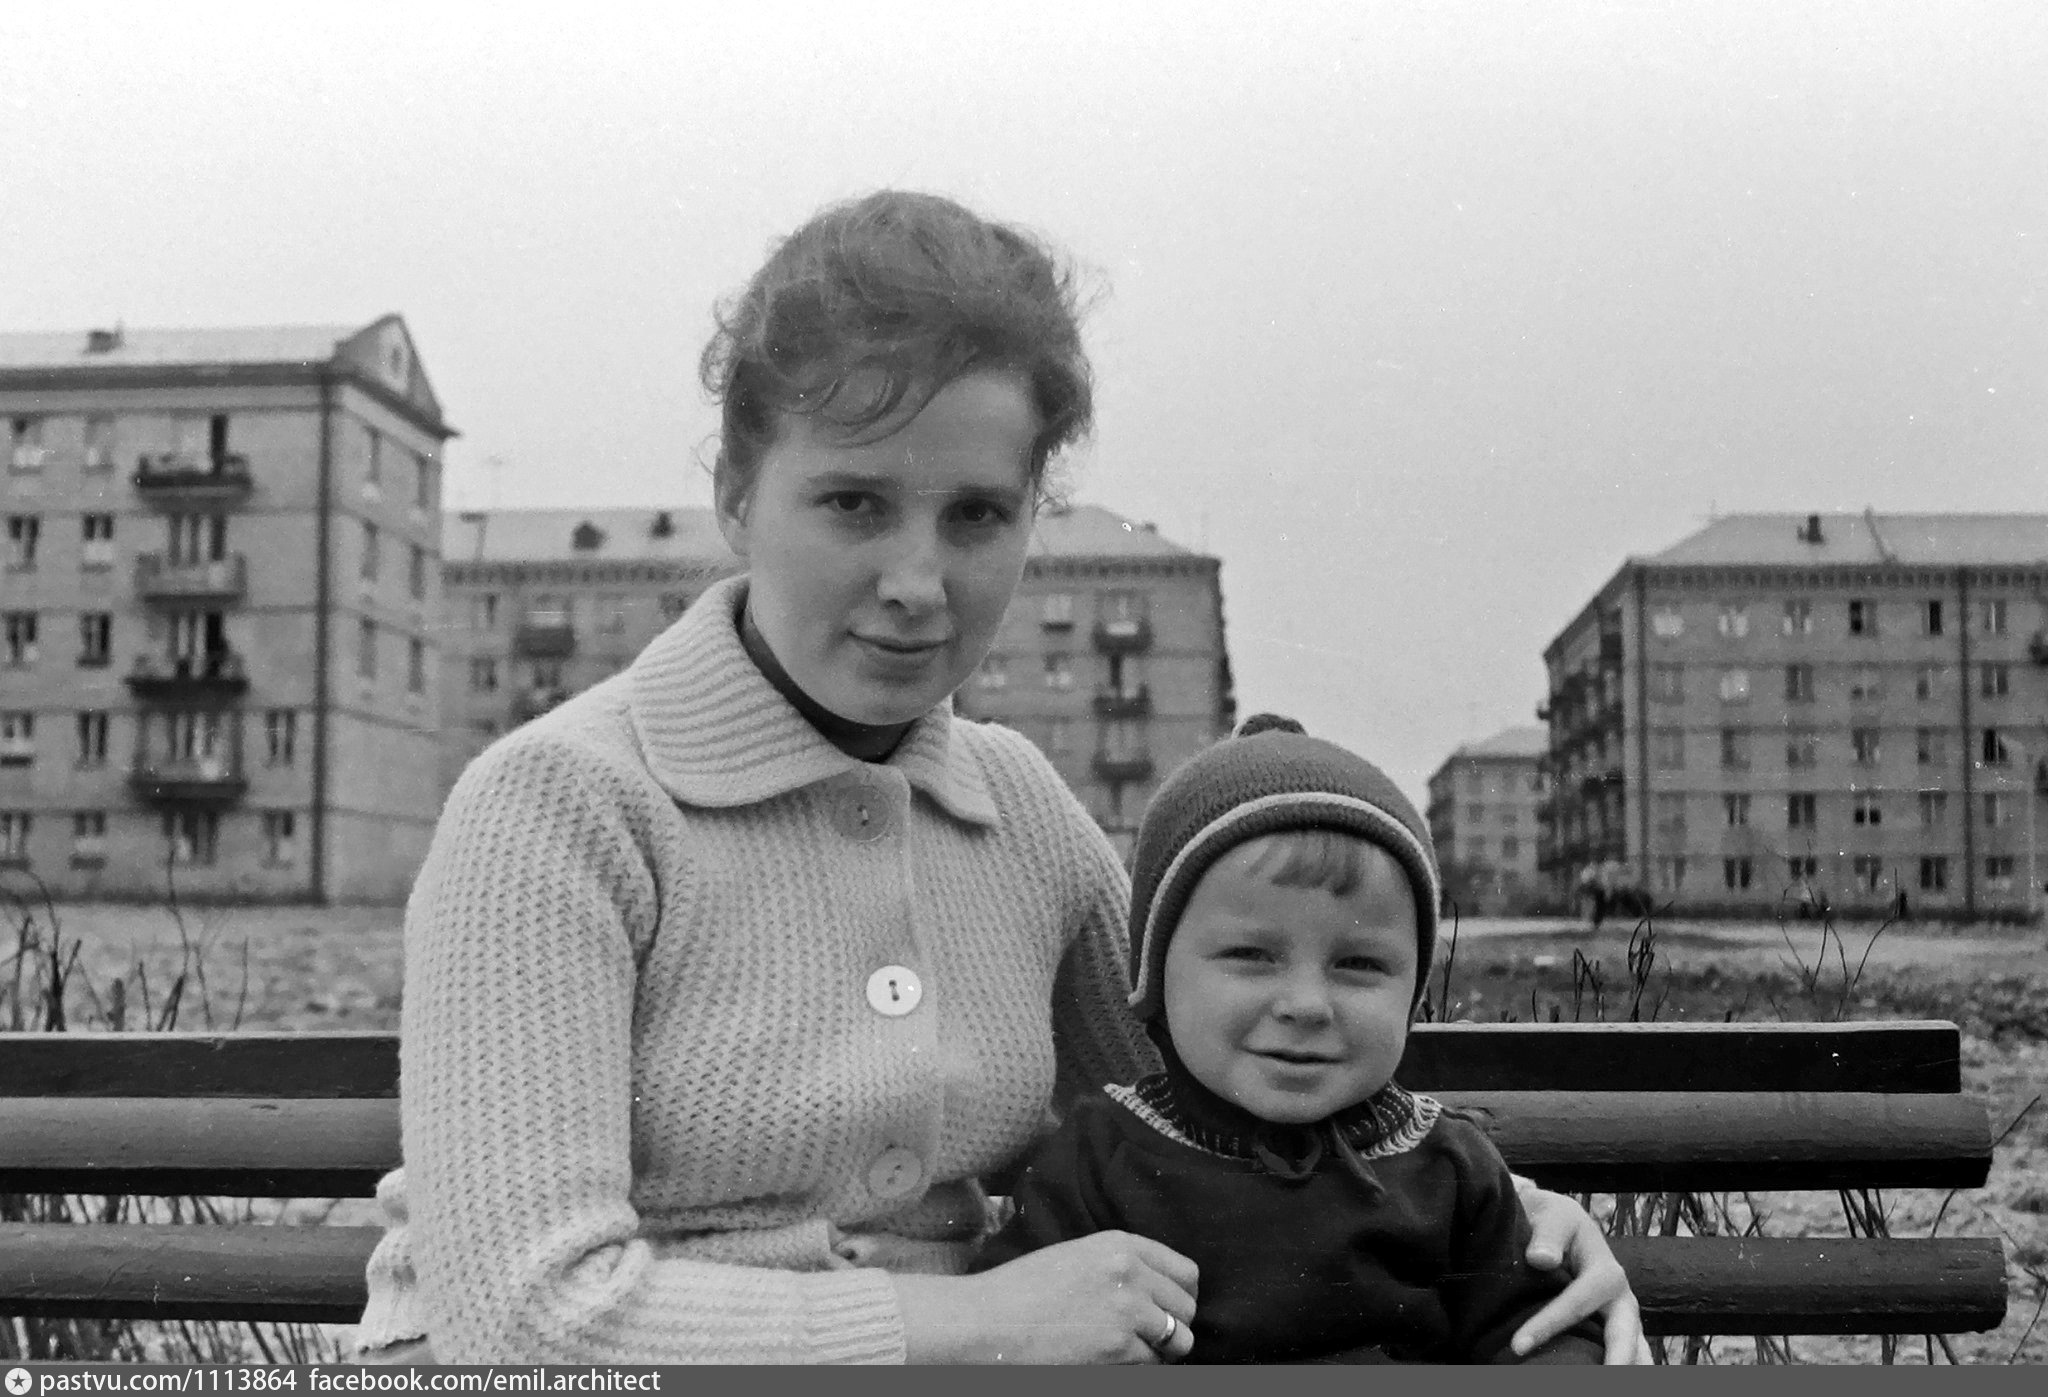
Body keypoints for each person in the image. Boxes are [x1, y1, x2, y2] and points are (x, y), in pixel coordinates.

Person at [352, 189, 1647, 1364]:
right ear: (738, 496)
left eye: (976, 513)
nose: (918, 583)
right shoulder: (559, 809)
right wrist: (977, 1320)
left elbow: (1217, 1099)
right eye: (854, 503)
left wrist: (1520, 1224)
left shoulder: (1014, 809)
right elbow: (517, 1317)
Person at [974, 715, 1604, 1363]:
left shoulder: (1448, 1166)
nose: (1305, 1005)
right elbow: (1021, 1330)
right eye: (1251, 955)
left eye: (1359, 964)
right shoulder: (1099, 1159)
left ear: (1413, 991)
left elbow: (1543, 1333)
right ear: (1156, 978)